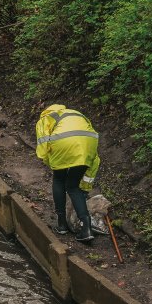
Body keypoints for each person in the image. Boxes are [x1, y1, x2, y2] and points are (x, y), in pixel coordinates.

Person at [35, 104, 100, 242]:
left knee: (59, 179)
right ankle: (86, 228)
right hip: (89, 143)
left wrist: (53, 164)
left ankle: (62, 224)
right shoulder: (75, 113)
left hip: (62, 142)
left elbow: (42, 148)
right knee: (72, 186)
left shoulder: (45, 118)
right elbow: (95, 161)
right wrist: (85, 188)